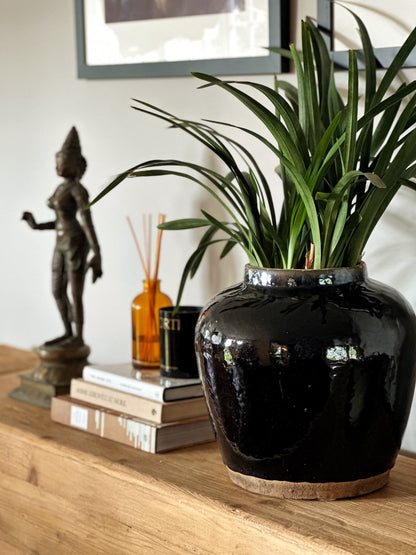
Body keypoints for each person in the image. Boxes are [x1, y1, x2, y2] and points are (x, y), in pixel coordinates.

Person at [22, 127, 102, 348]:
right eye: (56, 161)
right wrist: (36, 225)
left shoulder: (78, 190)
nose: (58, 165)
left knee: (76, 293)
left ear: (75, 165)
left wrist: (97, 252)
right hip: (60, 243)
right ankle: (67, 331)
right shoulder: (60, 188)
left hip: (76, 242)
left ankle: (78, 336)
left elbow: (87, 222)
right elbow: (59, 222)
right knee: (57, 290)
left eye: (63, 161)